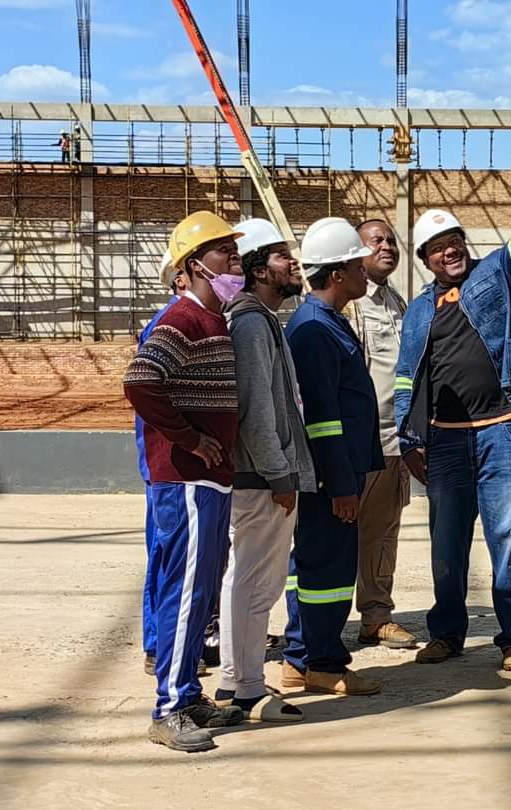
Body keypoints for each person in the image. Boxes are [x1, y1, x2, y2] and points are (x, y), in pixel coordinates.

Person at [395, 148, 511, 672]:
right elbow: (406, 378)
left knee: (508, 538)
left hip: (501, 433)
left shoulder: (496, 277)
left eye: (454, 241)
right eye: (437, 248)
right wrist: (408, 437)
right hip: (445, 442)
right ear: (425, 260)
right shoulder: (418, 310)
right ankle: (447, 633)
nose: (448, 251)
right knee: (446, 543)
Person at [124, 211, 248, 752]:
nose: (234, 260)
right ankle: (169, 707)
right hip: (188, 479)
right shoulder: (183, 319)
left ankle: (188, 692)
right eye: (223, 251)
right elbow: (140, 381)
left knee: (201, 590)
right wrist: (190, 439)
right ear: (193, 265)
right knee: (185, 589)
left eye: (234, 250)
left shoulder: (212, 320)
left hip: (209, 479)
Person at [279, 217, 384, 697]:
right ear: (338, 273)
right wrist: (341, 484)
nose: (367, 272)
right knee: (328, 572)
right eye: (358, 265)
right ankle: (321, 662)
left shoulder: (322, 323)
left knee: (318, 566)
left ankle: (301, 658)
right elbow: (321, 417)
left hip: (335, 471)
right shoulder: (315, 330)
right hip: (330, 477)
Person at [215, 219, 314, 722]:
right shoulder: (252, 322)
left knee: (254, 582)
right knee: (254, 584)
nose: (292, 263)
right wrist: (279, 474)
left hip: (265, 476)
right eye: (280, 256)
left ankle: (240, 682)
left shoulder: (261, 318)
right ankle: (245, 686)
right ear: (257, 270)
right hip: (261, 481)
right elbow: (256, 409)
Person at [343, 219, 417, 650]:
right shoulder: (351, 307)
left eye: (392, 240)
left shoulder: (397, 303)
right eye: (377, 241)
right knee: (339, 535)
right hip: (356, 445)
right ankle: (315, 625)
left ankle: (376, 616)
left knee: (383, 534)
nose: (387, 246)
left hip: (395, 441)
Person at [137, 249, 190, 677]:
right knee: (166, 553)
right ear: (180, 278)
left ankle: (188, 636)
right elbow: (143, 389)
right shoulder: (169, 324)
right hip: (168, 468)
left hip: (184, 467)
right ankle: (158, 643)